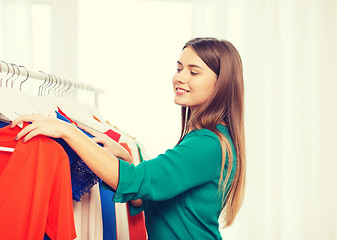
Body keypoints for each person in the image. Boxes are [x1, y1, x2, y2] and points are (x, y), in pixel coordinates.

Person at [12, 37, 246, 239]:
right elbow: (143, 199)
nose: (180, 78)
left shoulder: (208, 144)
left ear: (221, 84)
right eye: (179, 68)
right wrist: (126, 158)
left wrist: (68, 130)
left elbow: (136, 183)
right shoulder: (204, 139)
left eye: (193, 72)